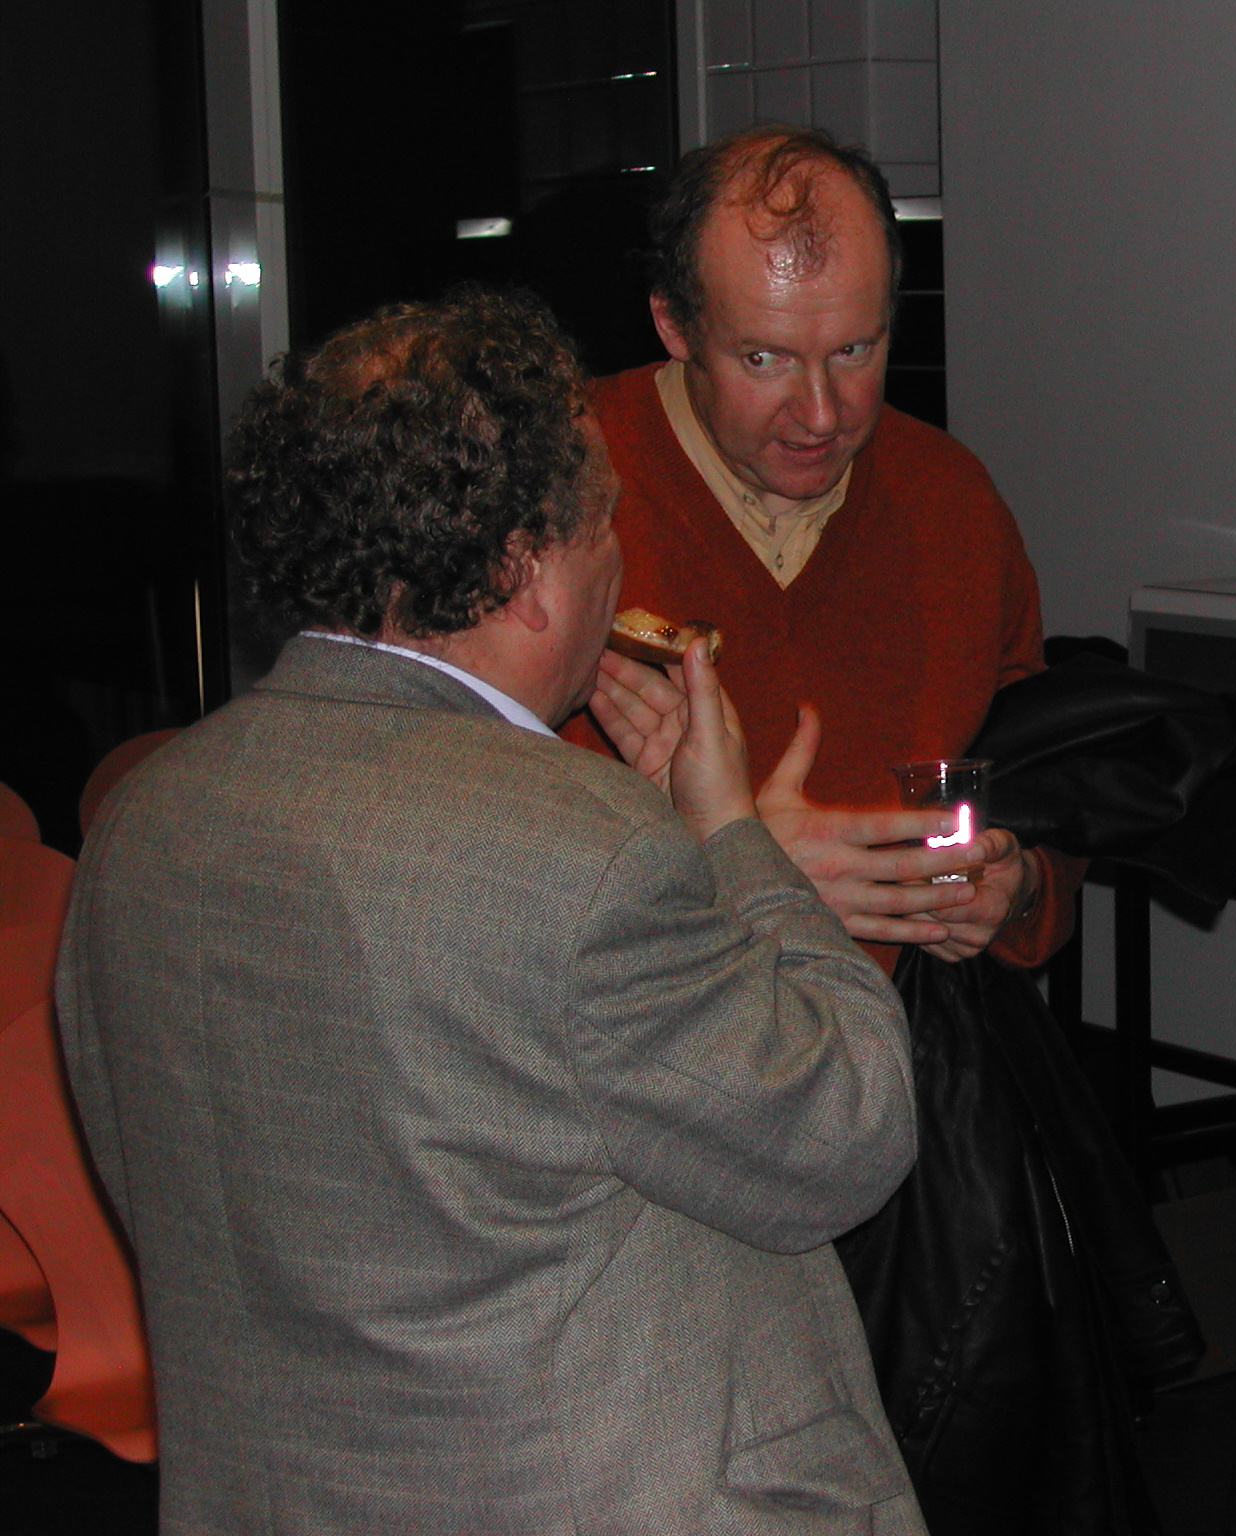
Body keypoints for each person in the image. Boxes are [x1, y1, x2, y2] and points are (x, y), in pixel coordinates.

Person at [56, 289, 926, 1535]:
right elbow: (845, 1136)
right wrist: (735, 841)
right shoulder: (584, 852)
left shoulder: (144, 823)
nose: (618, 559)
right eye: (605, 524)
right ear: (526, 570)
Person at [563, 125, 1078, 973]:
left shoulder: (951, 502)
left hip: (893, 1042)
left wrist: (1018, 888)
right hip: (632, 1044)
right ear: (673, 323)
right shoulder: (554, 489)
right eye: (764, 358)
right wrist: (741, 872)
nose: (821, 413)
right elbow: (448, 857)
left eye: (854, 351)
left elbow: (1041, 781)